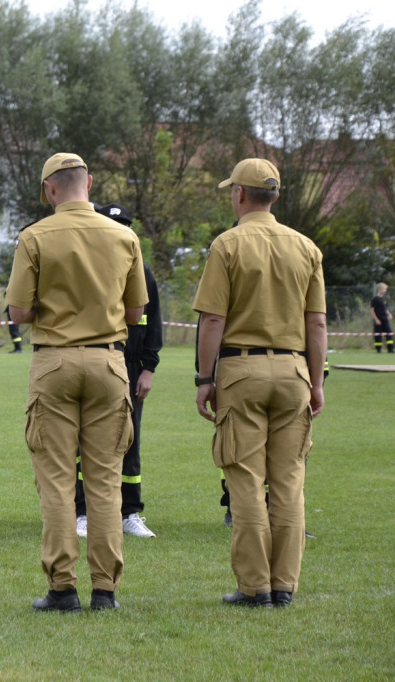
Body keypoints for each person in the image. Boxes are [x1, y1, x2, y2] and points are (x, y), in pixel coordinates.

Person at [6, 153, 147, 613]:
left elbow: (19, 314)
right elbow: (135, 313)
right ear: (89, 182)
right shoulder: (124, 236)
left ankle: (62, 588)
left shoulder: (34, 237)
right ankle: (105, 590)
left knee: (57, 482)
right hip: (109, 363)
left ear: (49, 190)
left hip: (55, 362)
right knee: (106, 483)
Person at [194, 158, 327, 608]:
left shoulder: (227, 245)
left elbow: (213, 318)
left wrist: (203, 377)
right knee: (289, 481)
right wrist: (317, 381)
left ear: (240, 195)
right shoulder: (306, 247)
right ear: (274, 196)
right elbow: (318, 324)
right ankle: (285, 585)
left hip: (242, 372)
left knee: (246, 481)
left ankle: (255, 587)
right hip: (294, 372)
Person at [75, 203, 162, 540]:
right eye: (114, 224)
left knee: (129, 441)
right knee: (84, 442)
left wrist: (149, 370)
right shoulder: (87, 271)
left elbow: (152, 327)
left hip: (131, 368)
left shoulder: (144, 273)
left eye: (126, 224)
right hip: (97, 364)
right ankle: (82, 511)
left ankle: (129, 512)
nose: (121, 230)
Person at [370, 282, 393, 353]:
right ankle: (378, 349)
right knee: (378, 335)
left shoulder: (383, 299)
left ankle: (390, 349)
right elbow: (372, 310)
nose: (385, 291)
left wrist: (389, 314)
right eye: (385, 289)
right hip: (378, 320)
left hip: (385, 319)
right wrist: (376, 319)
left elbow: (385, 308)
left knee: (389, 333)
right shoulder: (375, 299)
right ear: (380, 289)